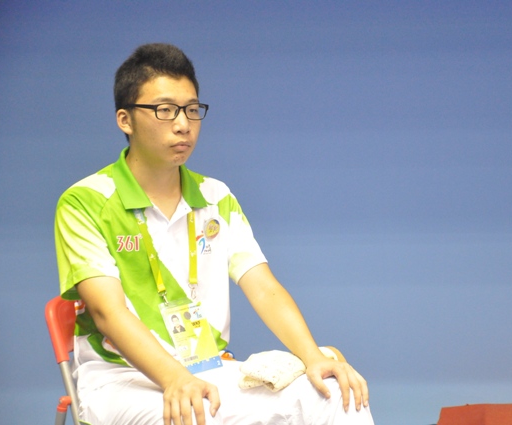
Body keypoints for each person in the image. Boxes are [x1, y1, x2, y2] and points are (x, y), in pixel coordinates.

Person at [54, 43, 374, 425]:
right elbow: (107, 313)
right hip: (121, 380)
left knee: (334, 392)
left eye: (192, 109)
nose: (183, 124)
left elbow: (263, 287)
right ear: (125, 120)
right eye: (165, 110)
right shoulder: (84, 202)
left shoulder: (216, 197)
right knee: (196, 413)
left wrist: (312, 356)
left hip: (209, 370)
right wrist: (175, 378)